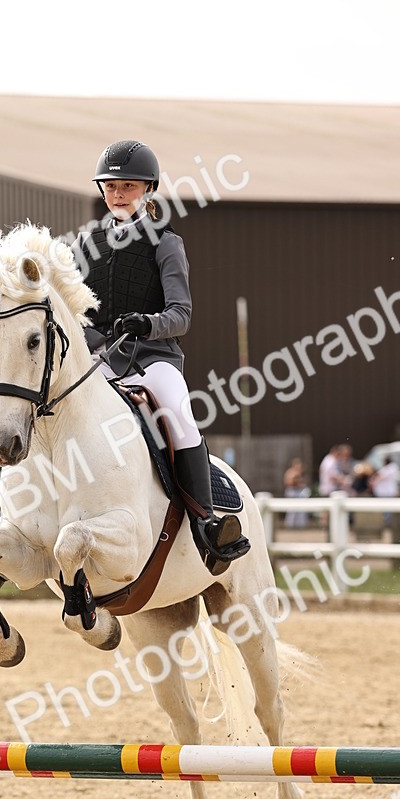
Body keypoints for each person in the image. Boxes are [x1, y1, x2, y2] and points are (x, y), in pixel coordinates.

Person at [71, 139, 250, 576]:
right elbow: (71, 309)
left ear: (147, 189)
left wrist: (146, 324)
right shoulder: (83, 243)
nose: (118, 194)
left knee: (177, 411)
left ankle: (207, 525)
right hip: (99, 360)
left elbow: (181, 314)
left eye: (128, 186)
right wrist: (91, 334)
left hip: (153, 359)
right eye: (111, 187)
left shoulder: (166, 243)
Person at [283, 457, 311, 527]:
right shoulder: (290, 472)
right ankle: (290, 525)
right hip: (292, 491)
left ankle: (301, 524)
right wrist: (296, 481)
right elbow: (288, 482)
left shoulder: (300, 473)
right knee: (292, 510)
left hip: (299, 492)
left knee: (301, 510)